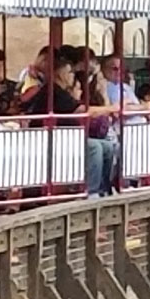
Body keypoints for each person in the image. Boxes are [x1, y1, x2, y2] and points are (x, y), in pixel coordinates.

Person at [29, 53, 118, 197]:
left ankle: (104, 188)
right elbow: (83, 110)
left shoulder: (63, 91)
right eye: (69, 72)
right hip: (51, 138)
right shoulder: (54, 91)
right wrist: (110, 108)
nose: (72, 75)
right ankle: (91, 191)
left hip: (66, 136)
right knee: (93, 147)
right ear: (60, 74)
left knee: (107, 146)